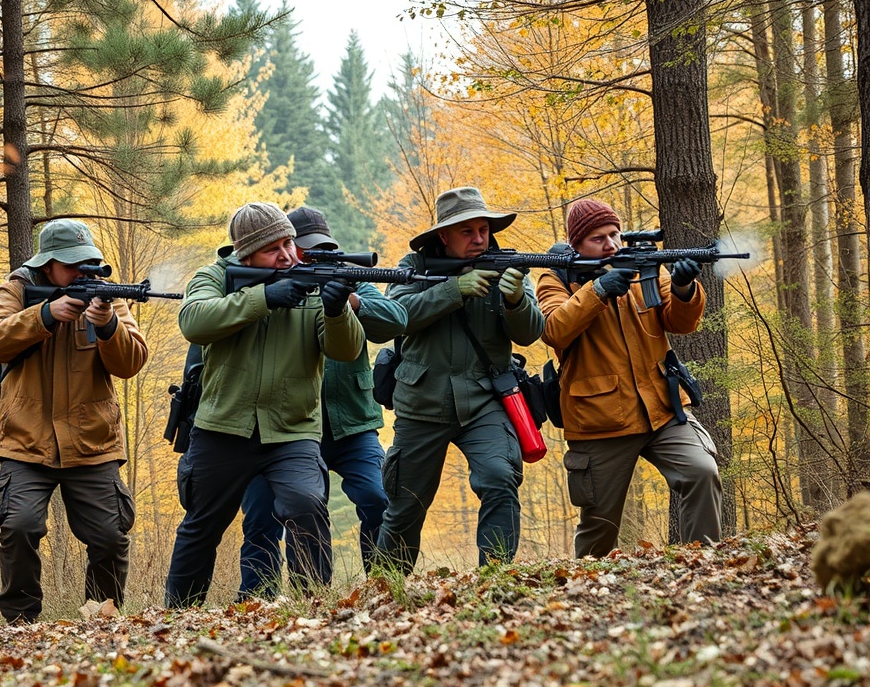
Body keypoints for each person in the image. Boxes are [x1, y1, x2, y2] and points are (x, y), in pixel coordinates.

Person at [164, 202, 365, 607]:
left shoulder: (310, 281)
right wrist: (264, 298)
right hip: (223, 425)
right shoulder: (216, 276)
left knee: (306, 505)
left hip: (292, 429)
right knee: (203, 524)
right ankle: (176, 616)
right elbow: (194, 321)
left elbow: (345, 350)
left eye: (289, 242)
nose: (288, 255)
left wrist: (336, 308)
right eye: (274, 248)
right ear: (246, 254)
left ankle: (315, 606)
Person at [0, 219, 148, 624]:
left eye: (89, 263)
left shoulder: (109, 298)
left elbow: (131, 363)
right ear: (47, 265)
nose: (83, 272)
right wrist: (45, 315)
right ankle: (21, 624)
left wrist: (106, 324)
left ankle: (101, 616)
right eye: (72, 265)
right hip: (25, 437)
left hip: (92, 441)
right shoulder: (18, 289)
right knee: (19, 526)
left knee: (109, 535)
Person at [535, 198, 723, 557]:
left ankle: (703, 564)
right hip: (599, 418)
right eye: (598, 238)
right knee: (599, 529)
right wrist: (599, 289)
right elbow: (553, 330)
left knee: (702, 472)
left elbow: (682, 323)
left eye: (615, 234)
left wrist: (684, 288)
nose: (611, 244)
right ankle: (584, 593)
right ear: (576, 245)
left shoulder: (643, 268)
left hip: (663, 407)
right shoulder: (555, 276)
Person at [237, 207, 406, 599]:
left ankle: (385, 585)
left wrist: (348, 300)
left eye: (324, 251)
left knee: (378, 498)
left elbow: (396, 318)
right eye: (306, 251)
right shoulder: (266, 287)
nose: (315, 259)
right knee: (263, 516)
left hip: (350, 422)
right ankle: (262, 599)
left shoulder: (348, 279)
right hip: (283, 428)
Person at [375, 187, 545, 574]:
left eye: (483, 229)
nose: (479, 239)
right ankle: (384, 589)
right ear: (443, 236)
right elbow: (393, 316)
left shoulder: (508, 266)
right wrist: (454, 290)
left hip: (486, 399)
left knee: (500, 478)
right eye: (467, 231)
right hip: (422, 402)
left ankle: (495, 580)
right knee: (405, 503)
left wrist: (517, 300)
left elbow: (531, 332)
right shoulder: (412, 266)